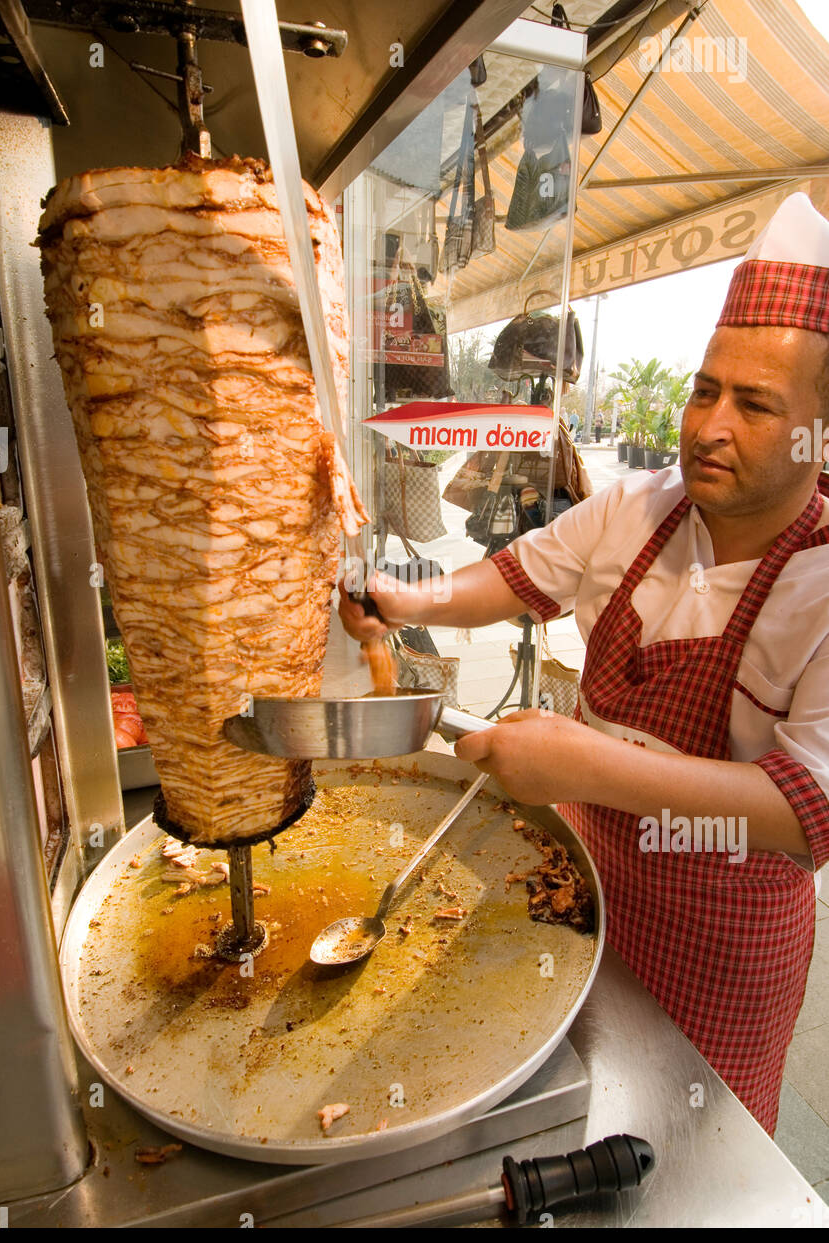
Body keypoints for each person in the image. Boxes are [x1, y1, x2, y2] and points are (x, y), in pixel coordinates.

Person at [340, 192, 829, 1136]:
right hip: (581, 876)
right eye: (702, 389)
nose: (708, 425)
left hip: (723, 939)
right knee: (566, 1111)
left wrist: (582, 764)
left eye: (755, 405)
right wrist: (409, 599)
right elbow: (516, 577)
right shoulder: (636, 507)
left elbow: (809, 815)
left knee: (684, 1158)